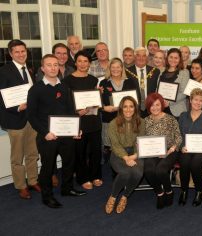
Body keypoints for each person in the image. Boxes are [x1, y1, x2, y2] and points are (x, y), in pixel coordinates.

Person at [27, 54, 86, 208]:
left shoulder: (64, 87)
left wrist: (76, 129)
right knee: (48, 167)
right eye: (49, 65)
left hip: (66, 134)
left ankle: (67, 189)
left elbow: (71, 110)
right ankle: (47, 196)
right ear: (42, 68)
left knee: (69, 162)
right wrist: (45, 132)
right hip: (47, 136)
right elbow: (31, 116)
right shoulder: (35, 89)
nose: (53, 68)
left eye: (55, 65)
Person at [0, 39, 40, 199]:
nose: (21, 54)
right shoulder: (4, 71)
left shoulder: (29, 70)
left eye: (23, 51)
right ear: (10, 54)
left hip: (31, 118)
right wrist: (17, 107)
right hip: (14, 119)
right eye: (17, 52)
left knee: (32, 152)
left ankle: (32, 180)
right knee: (17, 157)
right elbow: (1, 98)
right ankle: (21, 186)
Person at [63, 50, 102, 190]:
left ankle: (95, 175)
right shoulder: (67, 81)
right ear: (75, 62)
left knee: (96, 150)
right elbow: (66, 103)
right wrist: (77, 112)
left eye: (85, 61)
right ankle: (83, 178)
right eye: (80, 61)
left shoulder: (94, 80)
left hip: (93, 119)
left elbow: (96, 100)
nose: (83, 64)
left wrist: (99, 96)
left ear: (89, 64)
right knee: (80, 151)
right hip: (78, 121)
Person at [105, 96, 145, 214]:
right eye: (125, 106)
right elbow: (115, 145)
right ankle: (113, 196)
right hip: (118, 154)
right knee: (125, 173)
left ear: (135, 108)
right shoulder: (113, 123)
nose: (128, 109)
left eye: (131, 106)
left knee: (138, 173)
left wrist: (135, 155)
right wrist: (126, 158)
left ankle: (125, 197)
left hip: (135, 153)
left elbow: (140, 141)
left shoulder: (141, 122)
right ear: (121, 108)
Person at [142, 93, 182, 209]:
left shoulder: (170, 119)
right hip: (151, 150)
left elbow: (178, 137)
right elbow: (141, 138)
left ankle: (169, 191)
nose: (155, 108)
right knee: (149, 171)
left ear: (162, 105)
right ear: (148, 107)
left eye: (157, 105)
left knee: (160, 170)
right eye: (152, 105)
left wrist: (171, 149)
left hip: (170, 150)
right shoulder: (145, 121)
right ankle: (160, 193)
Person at [178, 88, 202, 206]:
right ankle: (184, 190)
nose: (198, 103)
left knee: (195, 165)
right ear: (190, 100)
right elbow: (178, 135)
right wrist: (181, 146)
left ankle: (199, 191)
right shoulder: (183, 116)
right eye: (195, 100)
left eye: (200, 100)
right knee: (184, 162)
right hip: (186, 149)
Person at [99, 58, 140, 164]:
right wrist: (104, 108)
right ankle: (113, 171)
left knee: (127, 145)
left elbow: (137, 100)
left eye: (118, 67)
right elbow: (98, 103)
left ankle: (128, 167)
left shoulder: (130, 81)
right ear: (109, 68)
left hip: (128, 120)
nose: (115, 69)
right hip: (109, 119)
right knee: (111, 147)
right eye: (113, 67)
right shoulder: (103, 83)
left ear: (122, 68)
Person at [125, 47, 160, 115]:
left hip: (152, 108)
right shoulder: (126, 72)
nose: (141, 58)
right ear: (134, 57)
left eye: (144, 56)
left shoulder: (155, 71)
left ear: (147, 58)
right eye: (138, 55)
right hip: (133, 109)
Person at [158, 48, 190, 118]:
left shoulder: (184, 72)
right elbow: (156, 89)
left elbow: (184, 93)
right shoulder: (161, 70)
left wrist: (169, 103)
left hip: (177, 110)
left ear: (179, 59)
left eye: (176, 58)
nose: (173, 60)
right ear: (167, 58)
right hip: (160, 109)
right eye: (171, 57)